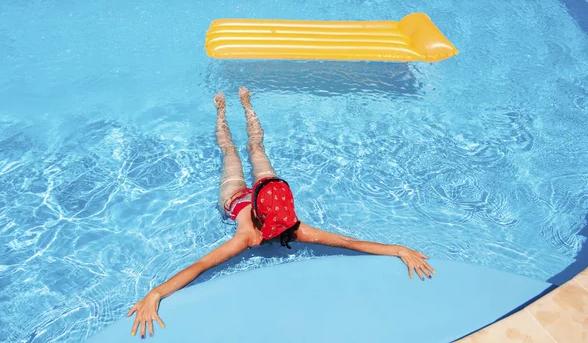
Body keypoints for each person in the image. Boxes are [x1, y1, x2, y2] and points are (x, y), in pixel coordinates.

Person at [127, 87, 435, 338]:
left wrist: (397, 249)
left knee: (250, 150)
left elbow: (351, 243)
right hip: (237, 198)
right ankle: (223, 111)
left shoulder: (270, 230)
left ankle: (246, 106)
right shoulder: (271, 232)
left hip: (257, 194)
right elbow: (200, 266)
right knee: (237, 151)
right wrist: (155, 294)